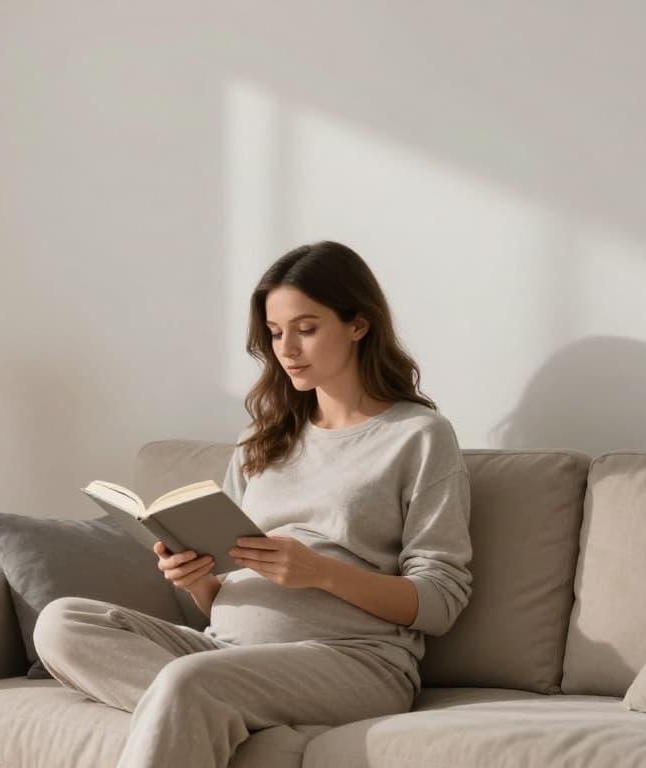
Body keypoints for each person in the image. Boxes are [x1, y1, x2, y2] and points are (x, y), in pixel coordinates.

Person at [33, 240, 473, 768]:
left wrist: (320, 572)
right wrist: (198, 580)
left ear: (358, 324)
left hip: (354, 660)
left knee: (190, 681)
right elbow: (223, 594)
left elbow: (441, 602)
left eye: (306, 329)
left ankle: (208, 706)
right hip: (224, 652)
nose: (287, 349)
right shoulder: (262, 439)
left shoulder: (418, 435)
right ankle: (221, 710)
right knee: (61, 624)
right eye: (275, 332)